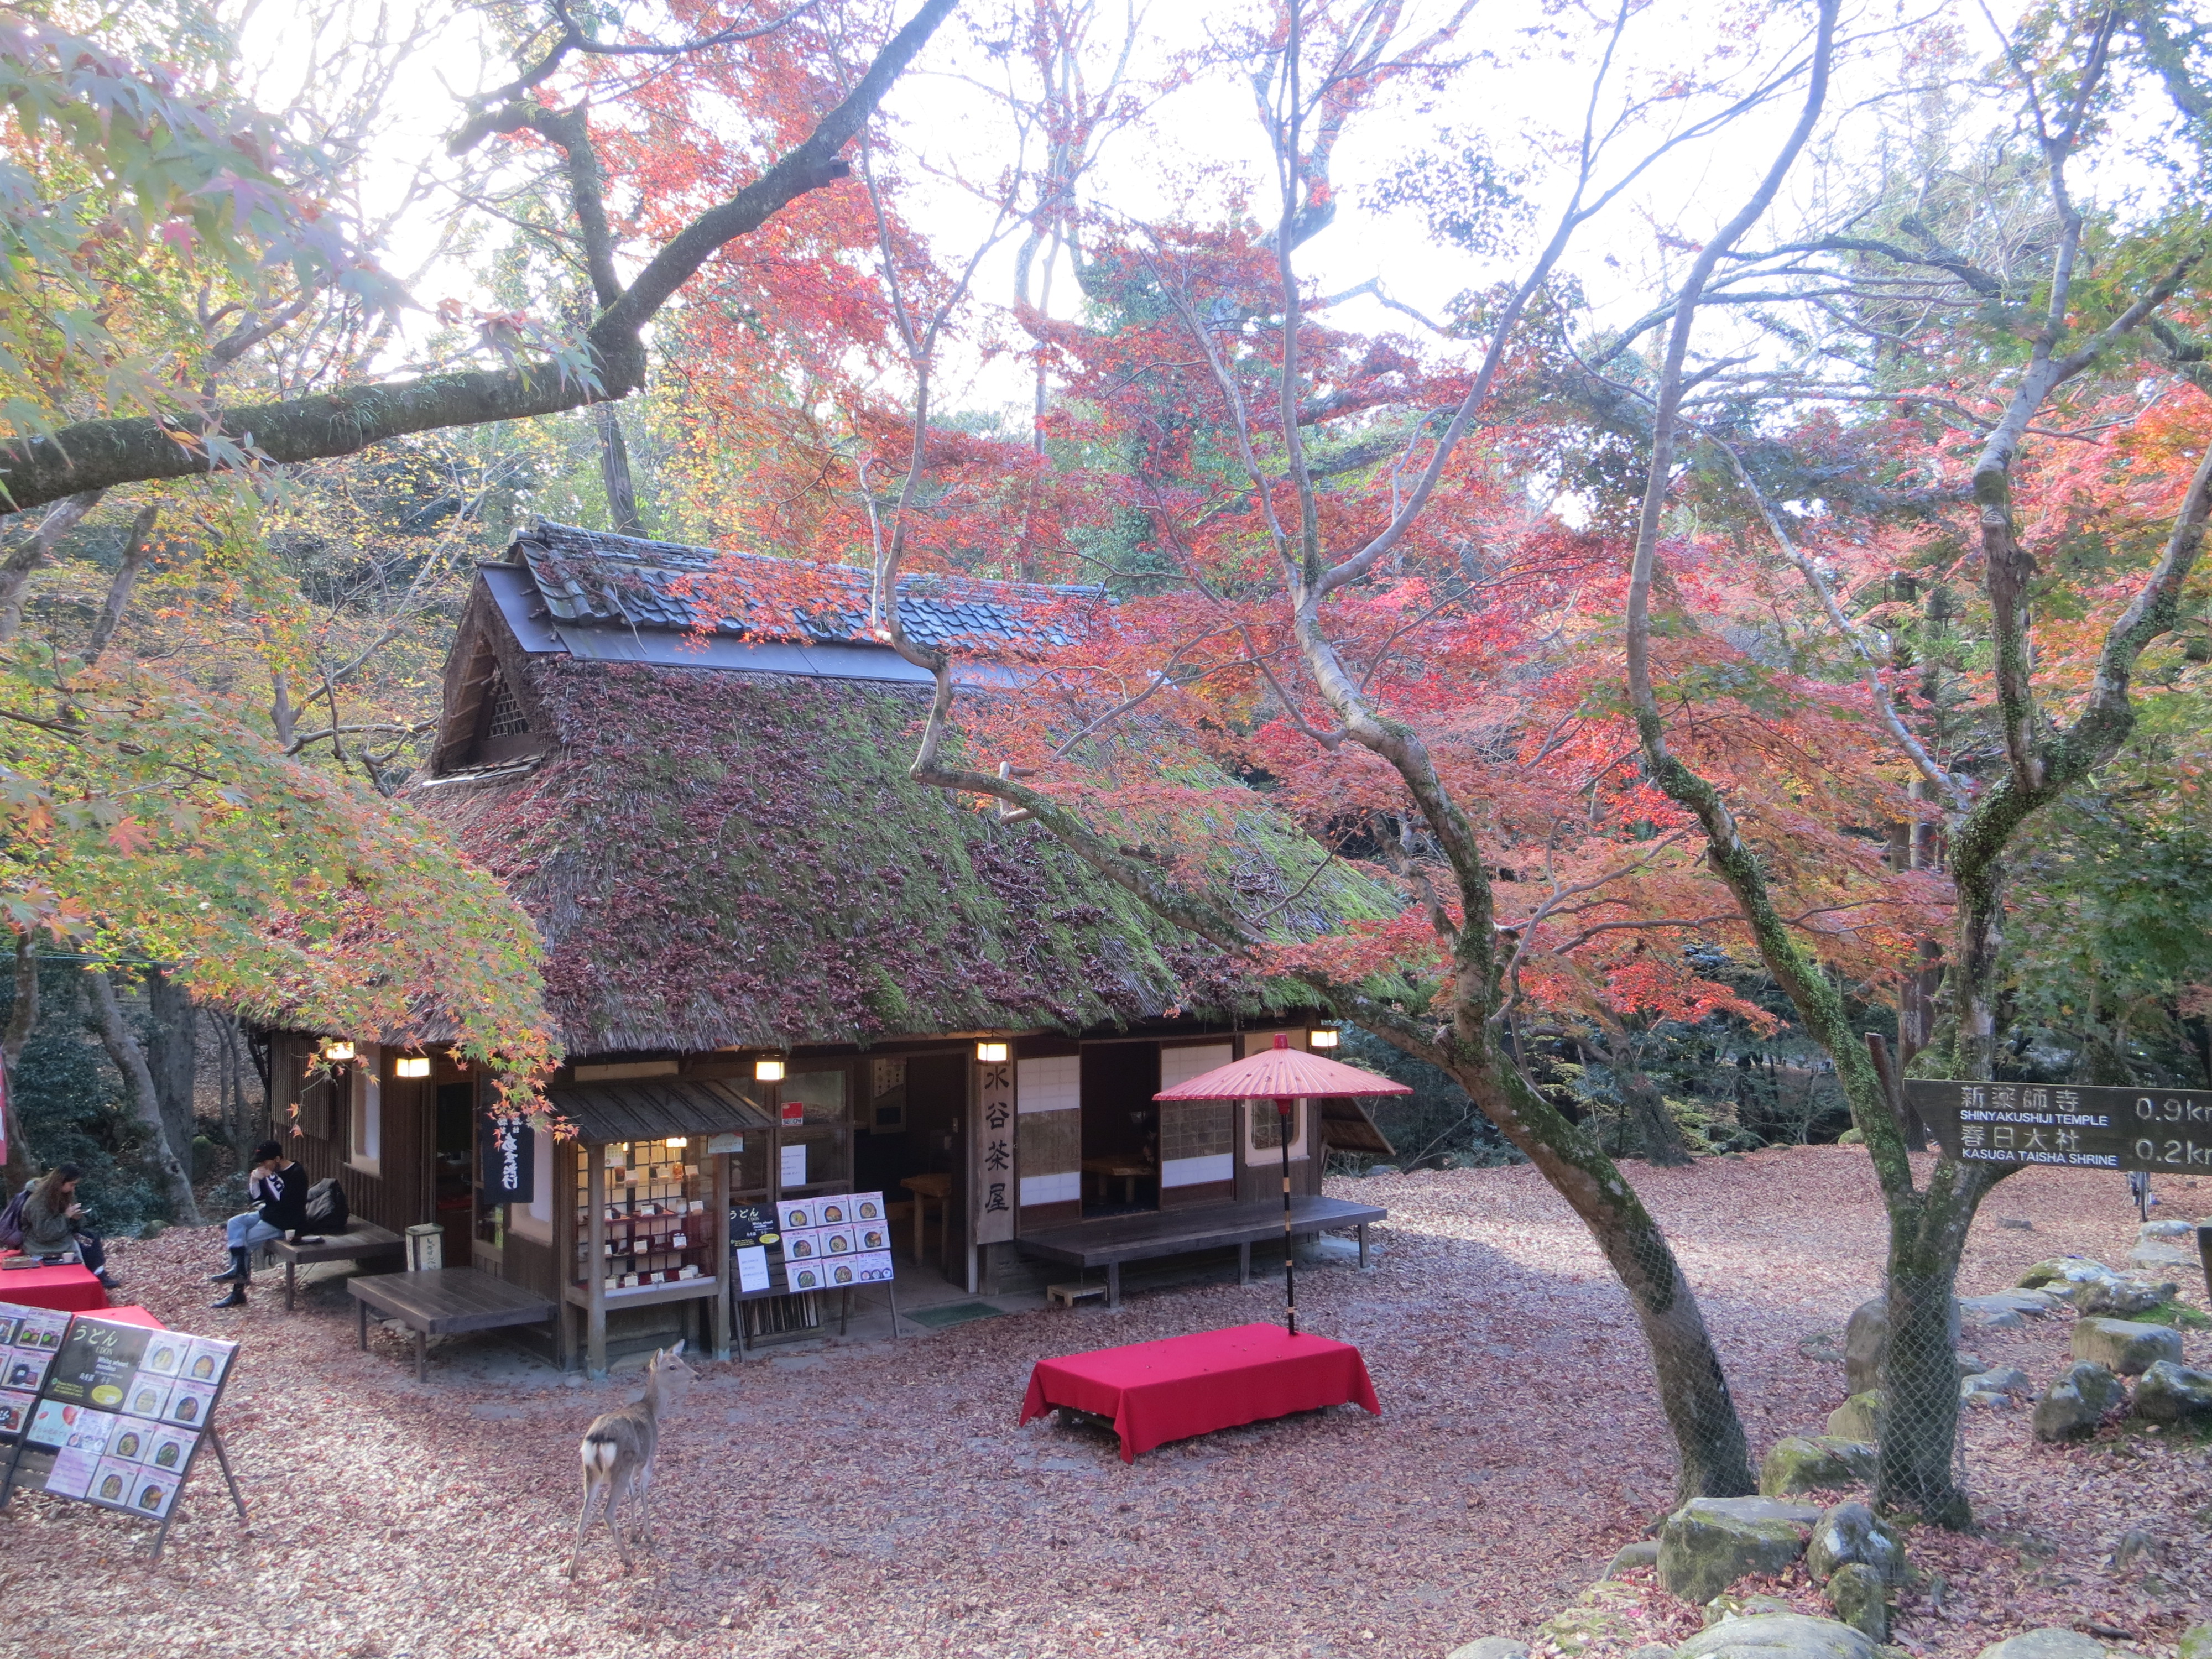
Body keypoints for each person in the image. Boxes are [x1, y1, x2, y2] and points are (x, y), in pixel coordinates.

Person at [208, 1141, 307, 1309]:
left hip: (286, 1222)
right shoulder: (270, 1171)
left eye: (265, 1161)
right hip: (268, 1214)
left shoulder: (297, 1174)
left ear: (277, 1158)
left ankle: (238, 1291)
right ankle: (238, 1271)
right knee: (235, 1223)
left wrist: (270, 1178)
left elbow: (284, 1202)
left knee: (245, 1241)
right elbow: (256, 1198)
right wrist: (254, 1180)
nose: (263, 1165)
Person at [20, 1164, 121, 1292]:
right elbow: (45, 1233)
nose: (73, 1188)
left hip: (60, 1234)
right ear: (60, 1182)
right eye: (72, 1185)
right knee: (82, 1246)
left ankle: (98, 1273)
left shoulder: (62, 1194)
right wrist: (67, 1216)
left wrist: (76, 1218)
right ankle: (92, 1278)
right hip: (40, 1243)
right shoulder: (38, 1201)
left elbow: (68, 1223)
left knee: (90, 1238)